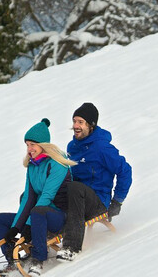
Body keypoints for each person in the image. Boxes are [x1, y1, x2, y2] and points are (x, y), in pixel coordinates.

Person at [0, 118, 76, 276]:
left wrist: (29, 225)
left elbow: (46, 197)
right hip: (38, 215)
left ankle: (38, 260)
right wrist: (16, 227)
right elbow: (28, 199)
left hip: (58, 217)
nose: (29, 149)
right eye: (27, 145)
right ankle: (13, 260)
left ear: (43, 145)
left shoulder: (57, 164)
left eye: (32, 145)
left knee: (38, 211)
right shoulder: (32, 166)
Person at [56, 102, 132, 262]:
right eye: (74, 121)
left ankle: (72, 247)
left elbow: (125, 171)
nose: (76, 125)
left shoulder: (102, 148)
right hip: (76, 199)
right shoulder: (72, 146)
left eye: (80, 122)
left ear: (91, 125)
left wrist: (117, 201)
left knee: (75, 188)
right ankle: (38, 243)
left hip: (97, 201)